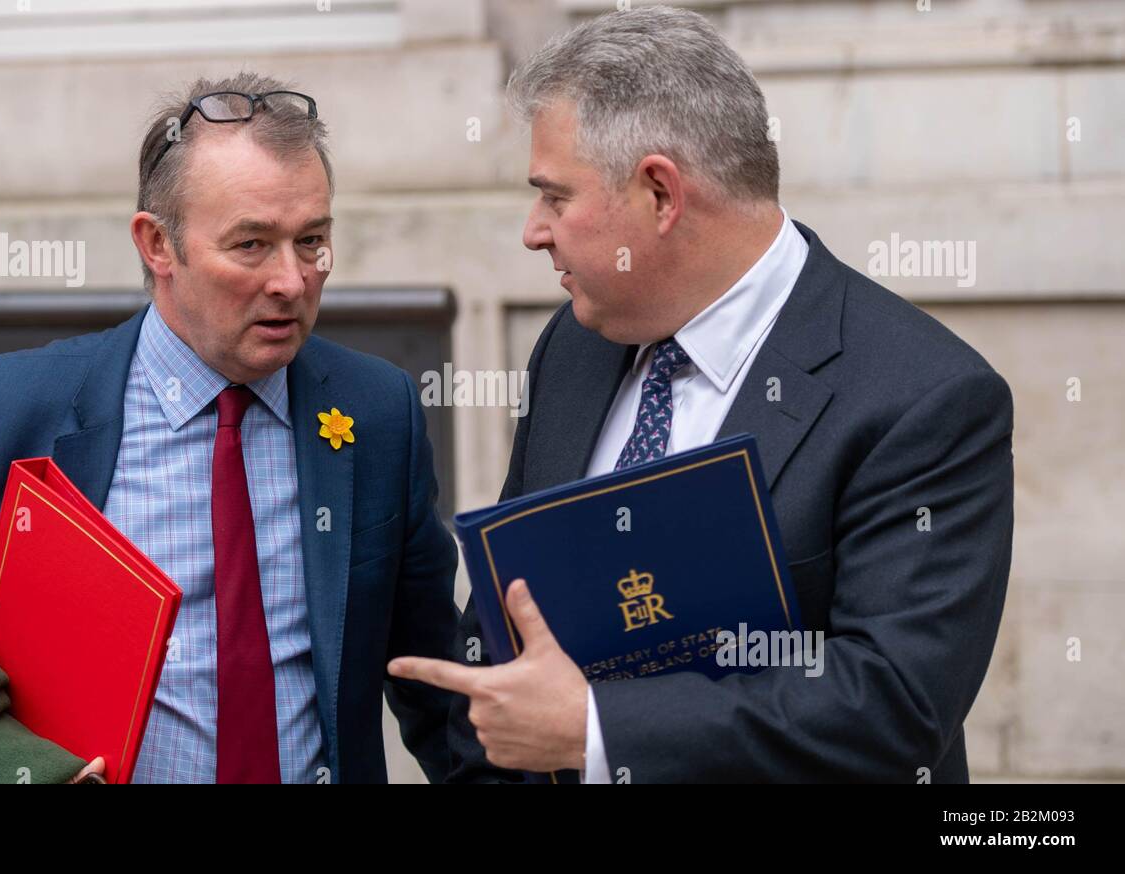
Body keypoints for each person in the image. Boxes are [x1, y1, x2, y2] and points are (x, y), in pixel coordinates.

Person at [392, 6, 1014, 784]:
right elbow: (500, 634)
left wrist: (595, 730)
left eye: (555, 196)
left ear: (659, 193)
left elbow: (894, 706)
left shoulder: (925, 396)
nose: (533, 230)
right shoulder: (576, 344)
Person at [0, 73, 461, 784]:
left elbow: (442, 691)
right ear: (157, 244)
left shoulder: (378, 412)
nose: (291, 279)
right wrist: (13, 770)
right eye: (251, 245)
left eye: (311, 240)